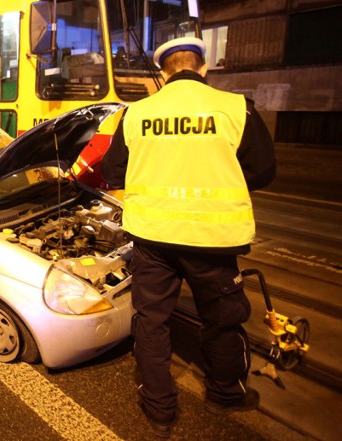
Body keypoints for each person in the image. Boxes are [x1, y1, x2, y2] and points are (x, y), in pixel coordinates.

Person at [101, 37, 276, 438]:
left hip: (153, 237)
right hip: (213, 239)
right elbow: (264, 171)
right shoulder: (235, 108)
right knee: (223, 320)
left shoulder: (136, 113)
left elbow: (114, 171)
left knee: (152, 321)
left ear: (162, 74)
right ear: (203, 68)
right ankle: (224, 394)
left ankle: (159, 410)